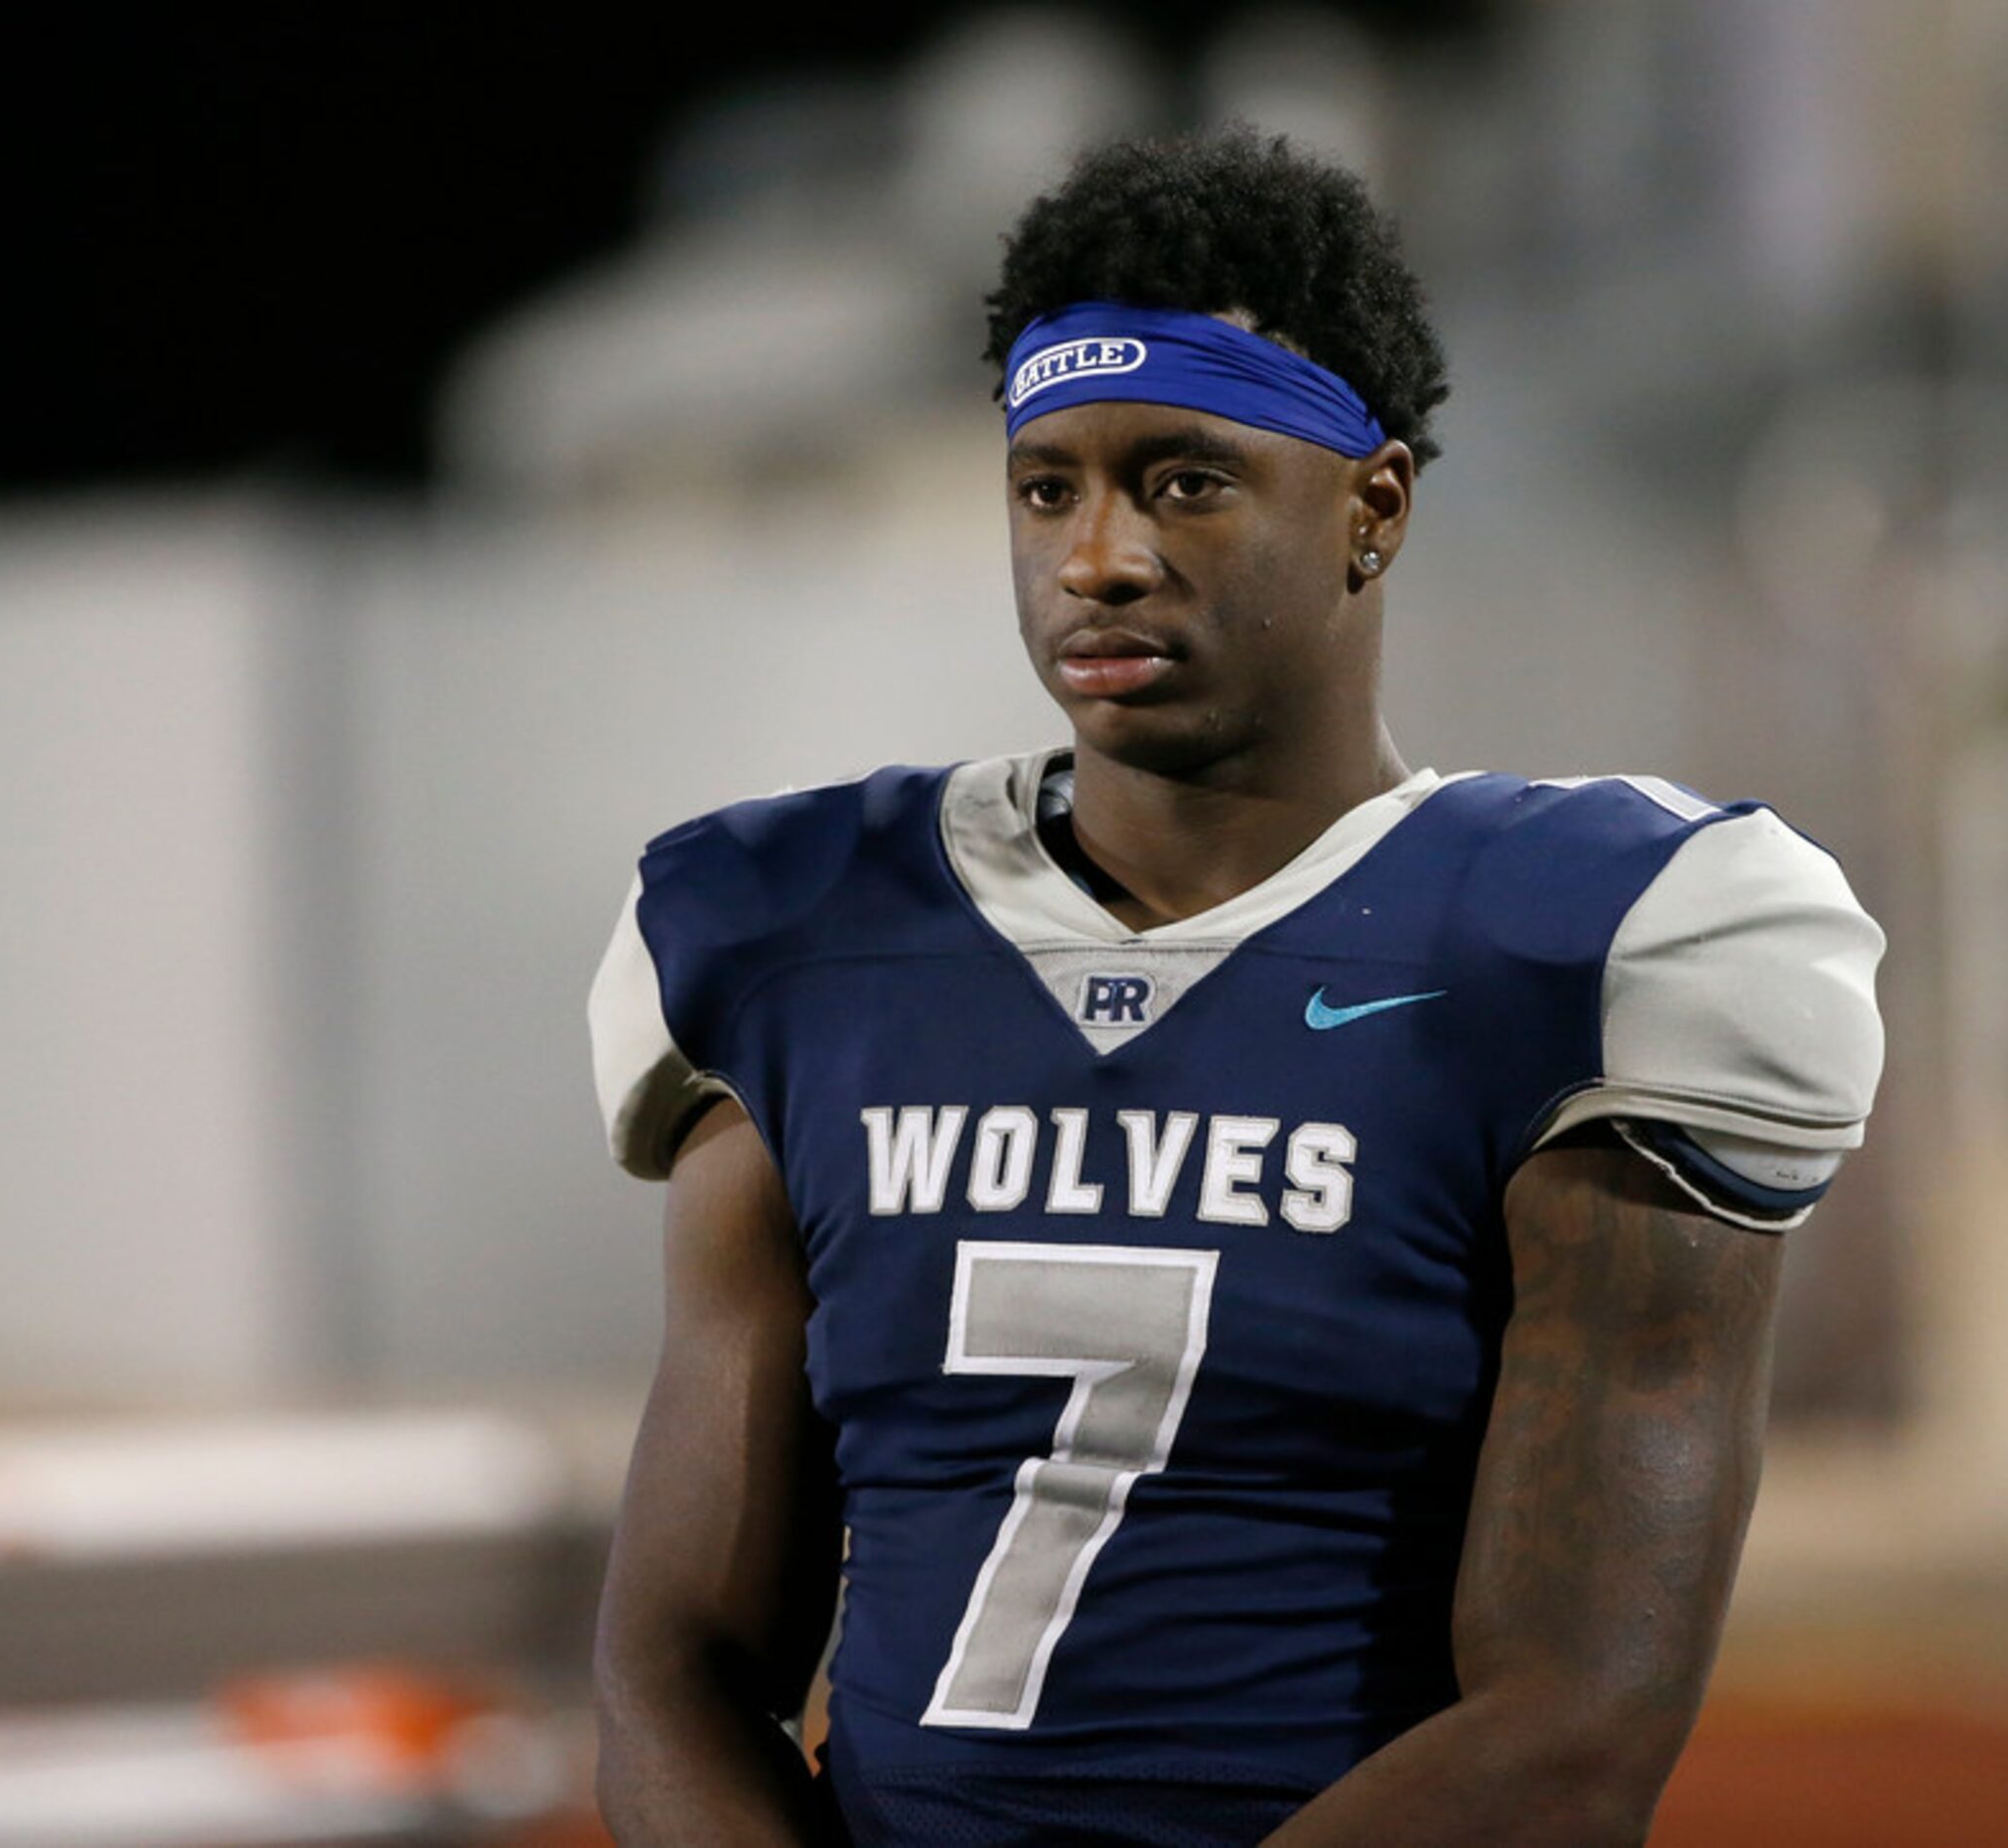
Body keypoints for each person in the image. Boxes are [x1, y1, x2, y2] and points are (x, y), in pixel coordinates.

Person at [584, 127, 1883, 1847]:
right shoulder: (795, 934)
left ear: (1374, 508)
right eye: (1048, 486)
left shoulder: (1594, 939)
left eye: (1184, 478)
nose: (1098, 557)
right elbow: (674, 1666)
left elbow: (1571, 1731)